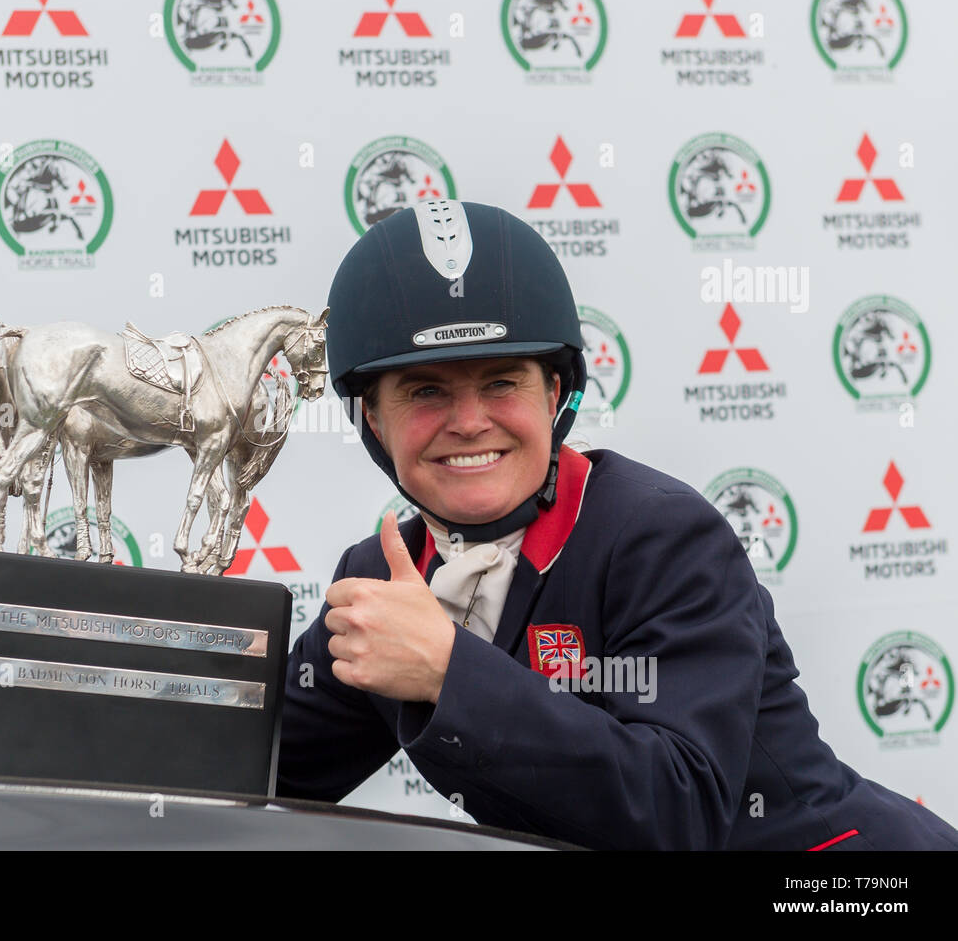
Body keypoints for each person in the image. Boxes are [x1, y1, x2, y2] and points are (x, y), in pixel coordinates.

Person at [276, 199, 958, 850]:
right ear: (373, 417)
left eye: (502, 382)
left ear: (553, 393)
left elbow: (678, 812)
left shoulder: (662, 538)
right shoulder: (383, 582)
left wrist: (450, 671)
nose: (469, 420)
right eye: (426, 390)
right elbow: (262, 767)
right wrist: (188, 655)